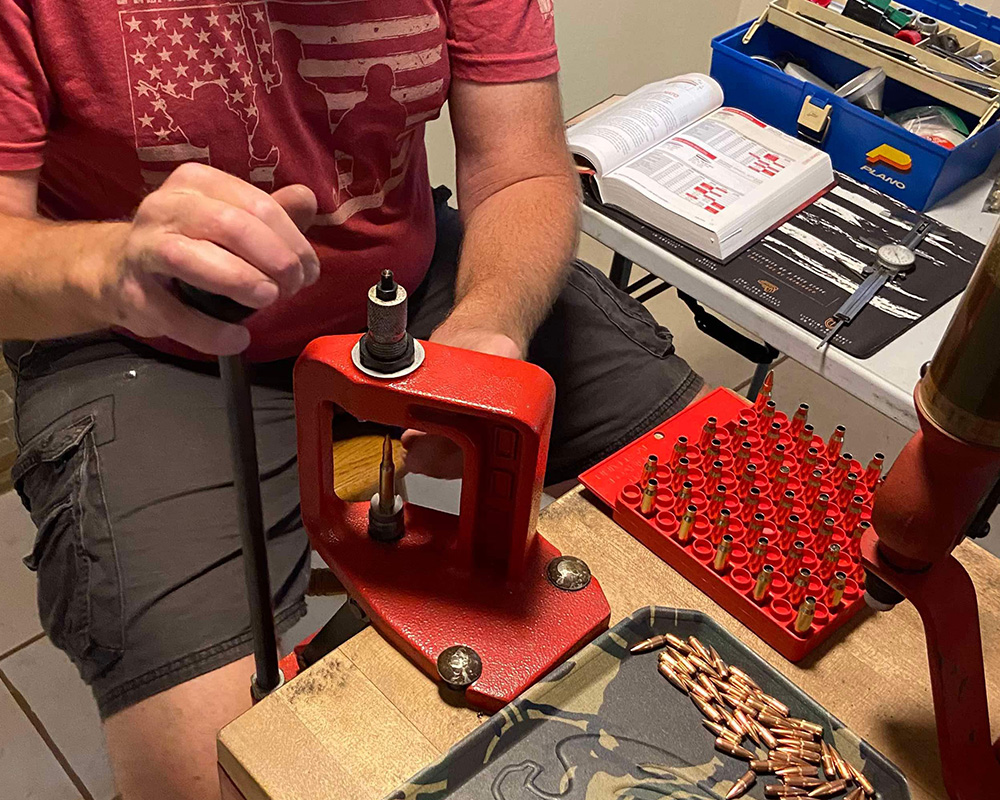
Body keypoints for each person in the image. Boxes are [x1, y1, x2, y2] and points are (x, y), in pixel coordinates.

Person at [0, 1, 705, 797]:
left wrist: (489, 330)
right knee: (209, 773)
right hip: (147, 336)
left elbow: (522, 170)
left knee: (721, 511)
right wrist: (112, 265)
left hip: (415, 286)